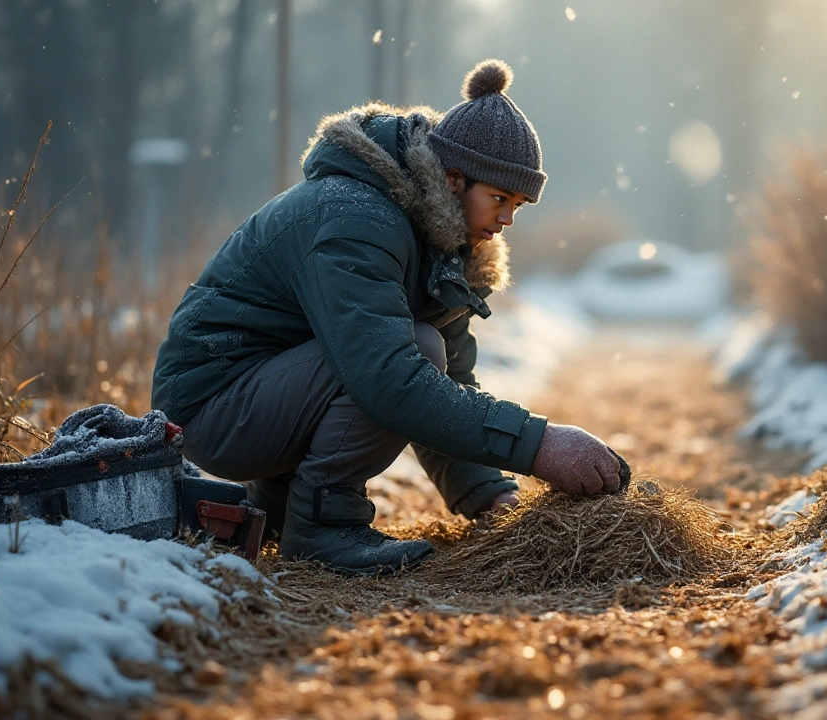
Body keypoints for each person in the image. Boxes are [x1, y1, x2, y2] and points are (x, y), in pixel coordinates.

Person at [151, 59, 625, 576]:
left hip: (265, 397)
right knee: (410, 352)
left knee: (423, 354)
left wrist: (489, 495)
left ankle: (283, 505)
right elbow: (391, 379)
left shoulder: (437, 244)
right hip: (207, 409)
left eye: (519, 205)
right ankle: (324, 528)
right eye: (500, 199)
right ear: (452, 178)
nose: (508, 219)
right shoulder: (359, 218)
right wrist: (539, 445)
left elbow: (448, 383)